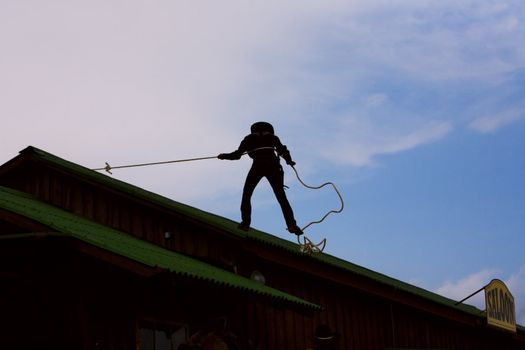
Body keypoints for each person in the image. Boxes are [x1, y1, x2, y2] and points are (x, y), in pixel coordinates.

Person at [218, 122, 303, 235]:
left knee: (247, 194)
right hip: (273, 164)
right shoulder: (272, 137)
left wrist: (223, 156)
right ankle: (291, 225)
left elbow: (237, 155)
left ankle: (245, 223)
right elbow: (283, 150)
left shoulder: (249, 138)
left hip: (258, 164)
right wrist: (289, 161)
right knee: (281, 197)